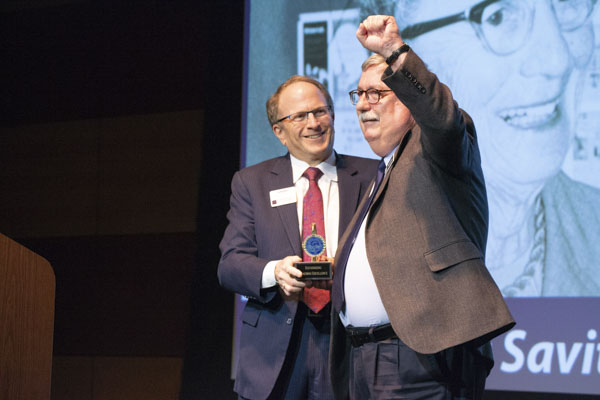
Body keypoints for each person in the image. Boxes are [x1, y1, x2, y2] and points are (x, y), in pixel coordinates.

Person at [329, 15, 515, 399]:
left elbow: (440, 116)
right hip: (363, 359)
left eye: (377, 93)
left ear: (408, 101)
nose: (364, 104)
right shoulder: (383, 172)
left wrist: (393, 51)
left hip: (420, 355)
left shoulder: (435, 147)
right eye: (358, 95)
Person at [376, 0, 600, 296]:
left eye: (566, 6)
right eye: (498, 17)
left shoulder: (592, 222)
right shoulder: (374, 229)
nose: (558, 59)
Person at [217, 75, 378, 399]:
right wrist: (274, 273)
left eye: (321, 111)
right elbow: (231, 264)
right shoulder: (252, 182)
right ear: (279, 131)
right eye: (300, 116)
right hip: (275, 346)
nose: (315, 123)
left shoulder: (373, 175)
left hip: (348, 340)